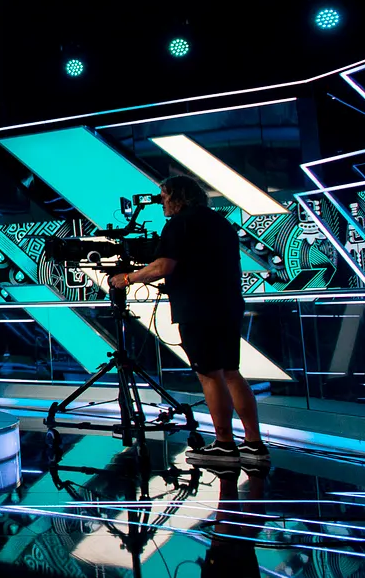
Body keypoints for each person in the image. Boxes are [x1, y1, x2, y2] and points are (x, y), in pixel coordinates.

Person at [111, 174, 266, 469]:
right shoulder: (219, 222)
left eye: (164, 197)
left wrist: (127, 278)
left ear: (177, 196)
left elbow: (163, 265)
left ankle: (224, 445)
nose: (162, 204)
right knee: (231, 372)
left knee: (209, 374)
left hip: (198, 309)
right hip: (228, 305)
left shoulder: (180, 224)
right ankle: (254, 444)